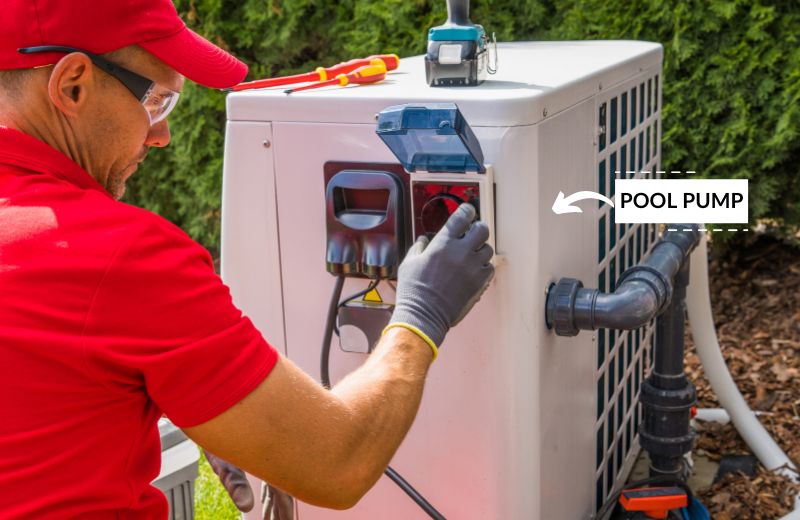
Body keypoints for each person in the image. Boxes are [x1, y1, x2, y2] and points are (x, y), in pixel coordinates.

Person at [0, 0, 495, 518]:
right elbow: (337, 461)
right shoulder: (120, 256)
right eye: (157, 102)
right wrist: (420, 315)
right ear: (73, 84)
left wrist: (194, 391)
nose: (161, 136)